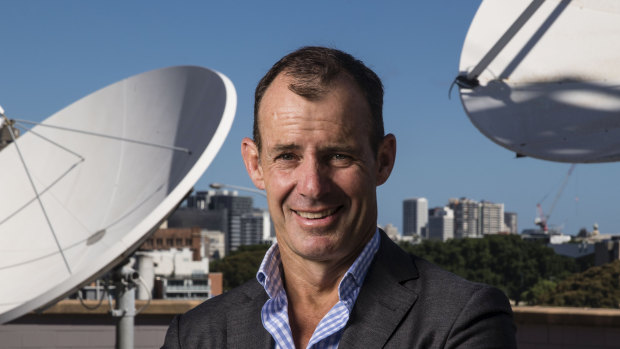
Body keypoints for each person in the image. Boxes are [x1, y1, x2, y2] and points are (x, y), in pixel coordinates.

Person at [162, 46, 516, 348]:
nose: (313, 187)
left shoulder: (463, 321)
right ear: (256, 165)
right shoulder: (196, 336)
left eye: (338, 156)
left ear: (383, 161)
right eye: (287, 156)